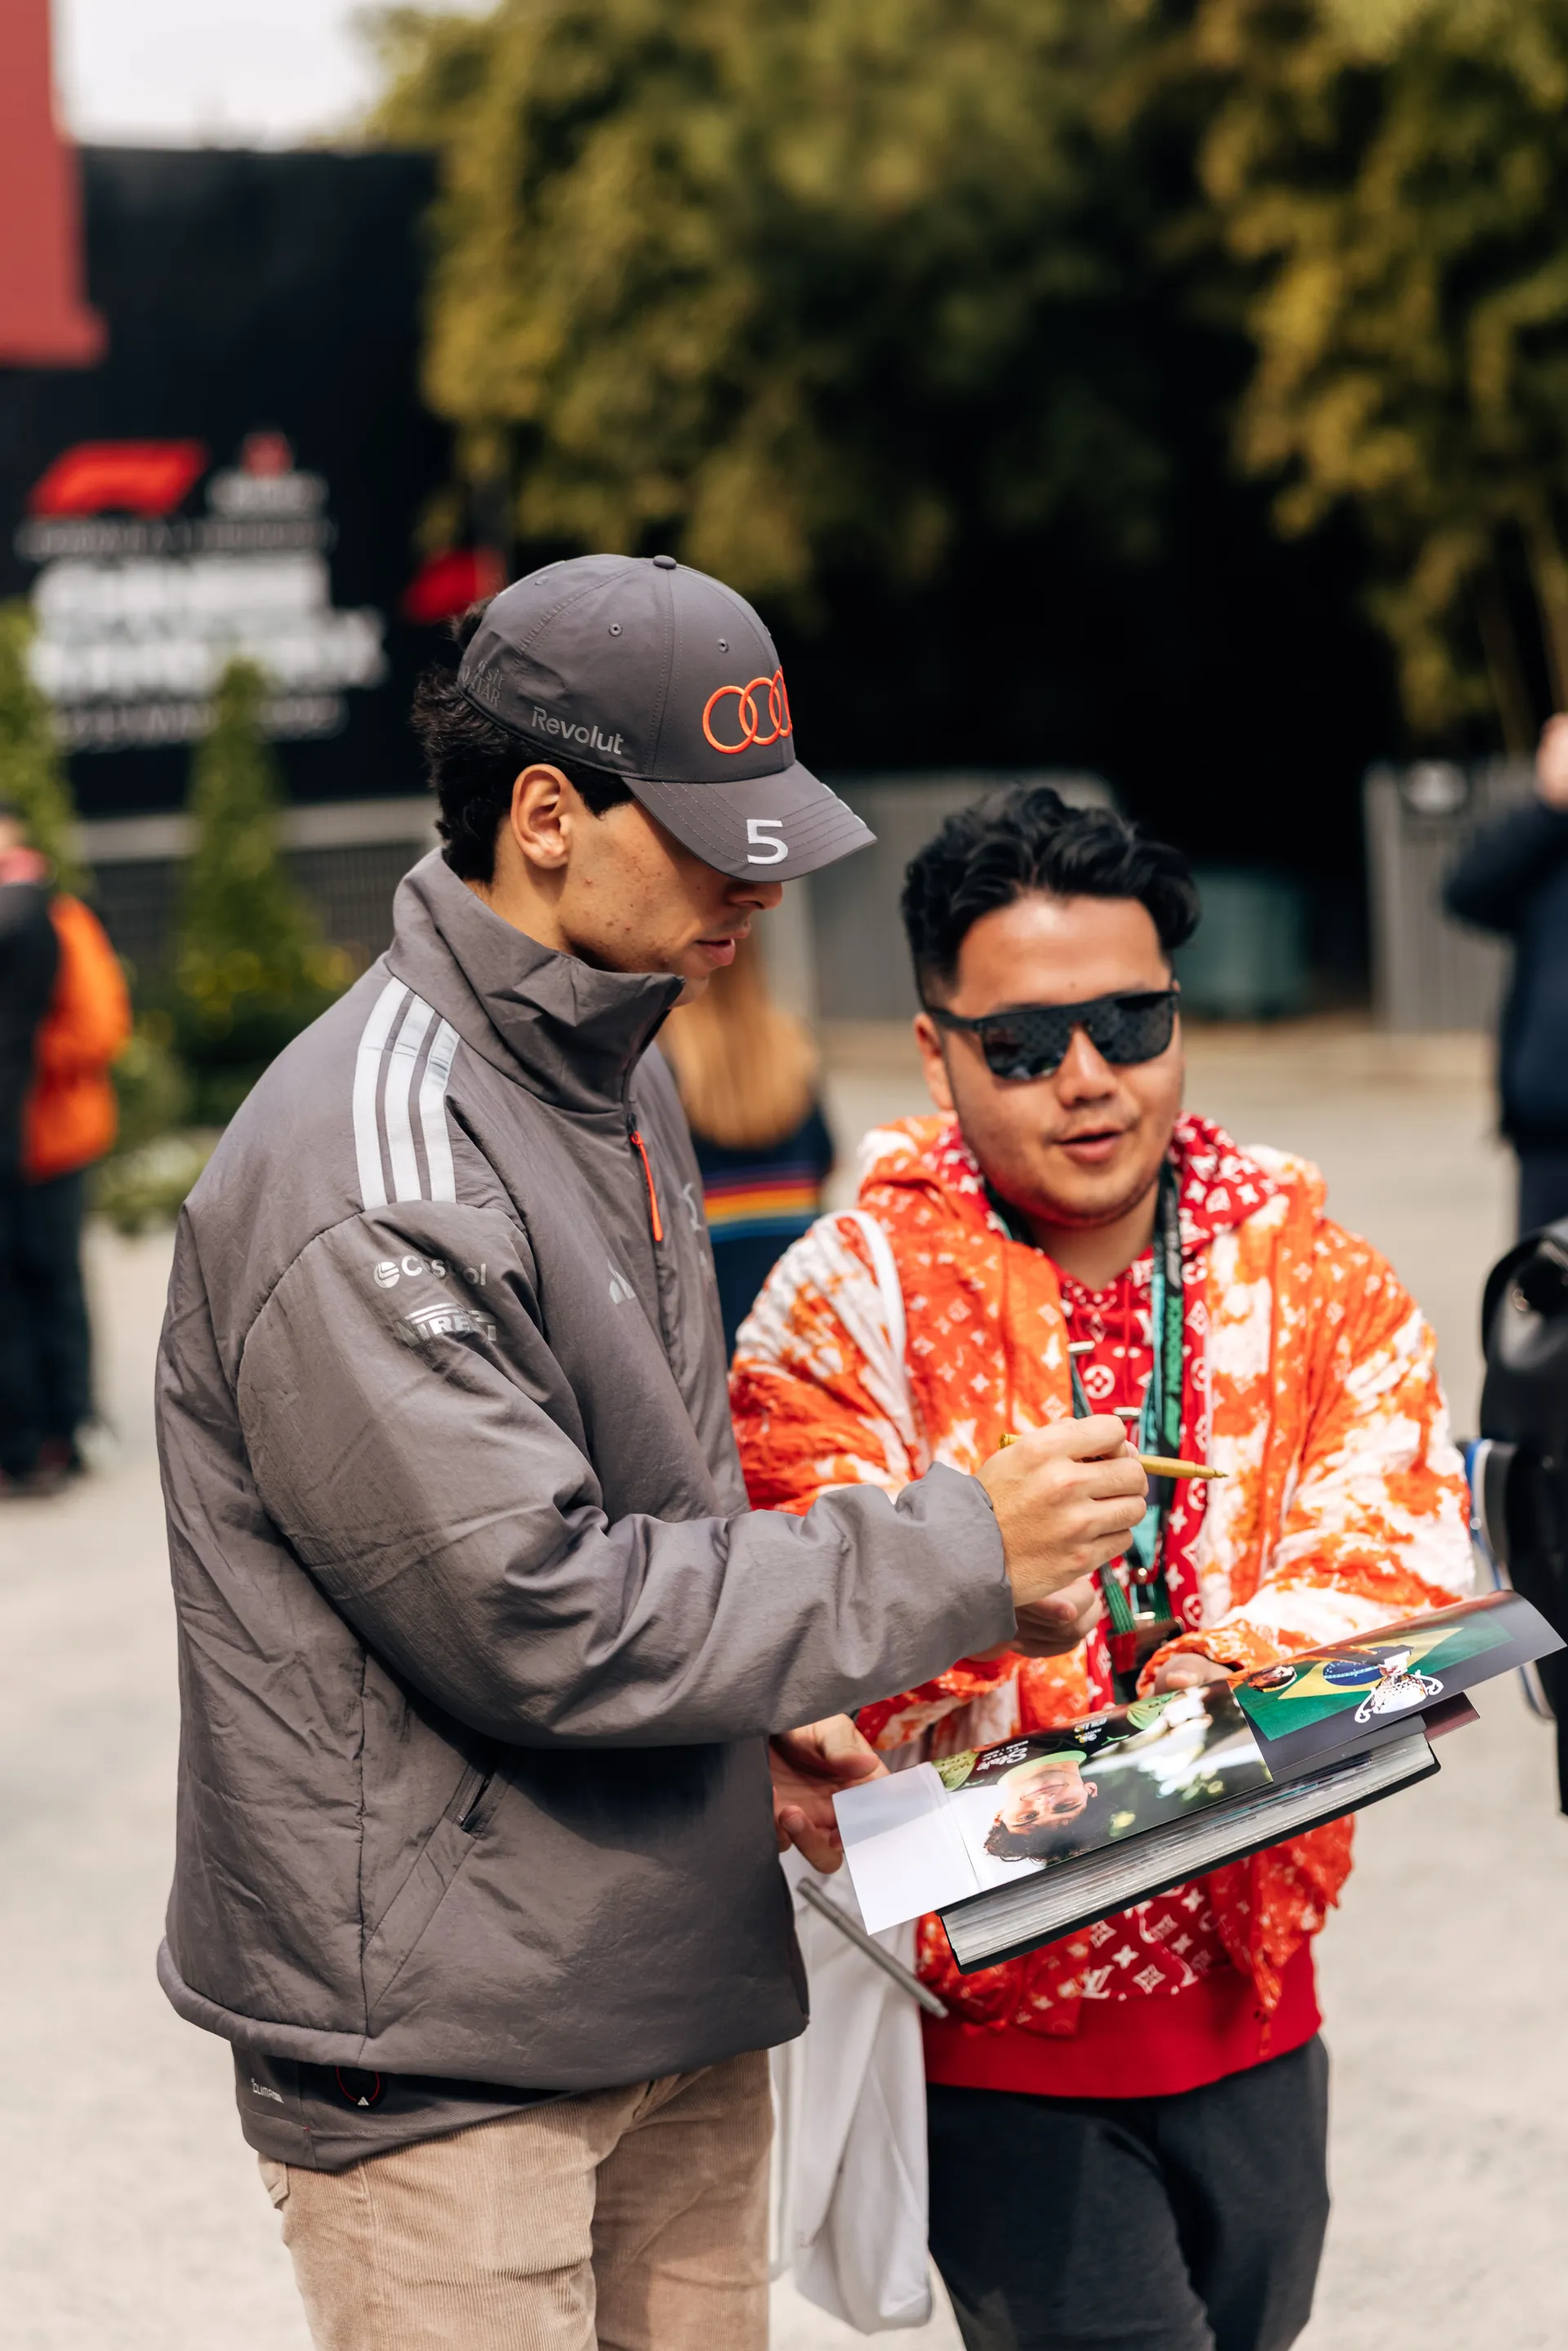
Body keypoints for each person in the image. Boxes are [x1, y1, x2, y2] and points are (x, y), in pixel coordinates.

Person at [154, 560, 1153, 2351]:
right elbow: (537, 1605)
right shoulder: (377, 1159)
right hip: (449, 2056)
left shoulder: (620, 1062)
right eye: (712, 839)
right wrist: (946, 1550)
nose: (757, 881)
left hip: (668, 1979)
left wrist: (778, 1704)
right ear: (547, 815)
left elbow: (654, 1510)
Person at [731, 783, 1475, 2351]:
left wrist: (1234, 1660)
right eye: (1022, 1043)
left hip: (1265, 1993)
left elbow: (1397, 1531)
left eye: (1132, 1023)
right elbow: (793, 1618)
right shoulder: (842, 1296)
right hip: (996, 2025)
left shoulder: (1314, 1271)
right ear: (935, 1047)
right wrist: (982, 1573)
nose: (1088, 1079)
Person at [660, 928, 834, 1351]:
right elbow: (825, 1163)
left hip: (707, 1327)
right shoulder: (794, 1045)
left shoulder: (657, 1057)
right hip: (796, 1320)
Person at [18, 875, 131, 1480]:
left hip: (56, 1137)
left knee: (55, 1283)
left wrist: (18, 1047)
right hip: (14, 1143)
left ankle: (74, 1421)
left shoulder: (58, 919)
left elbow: (98, 1027)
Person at [1446, 711, 1568, 1233]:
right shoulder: (1549, 839)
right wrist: (1549, 807)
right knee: (1542, 1292)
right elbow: (1467, 891)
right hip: (1547, 1119)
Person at [0, 801, 64, 1492]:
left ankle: (26, 1446)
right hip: (15, 1123)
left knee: (17, 1293)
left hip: (13, 1124)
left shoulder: (21, 910)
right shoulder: (32, 909)